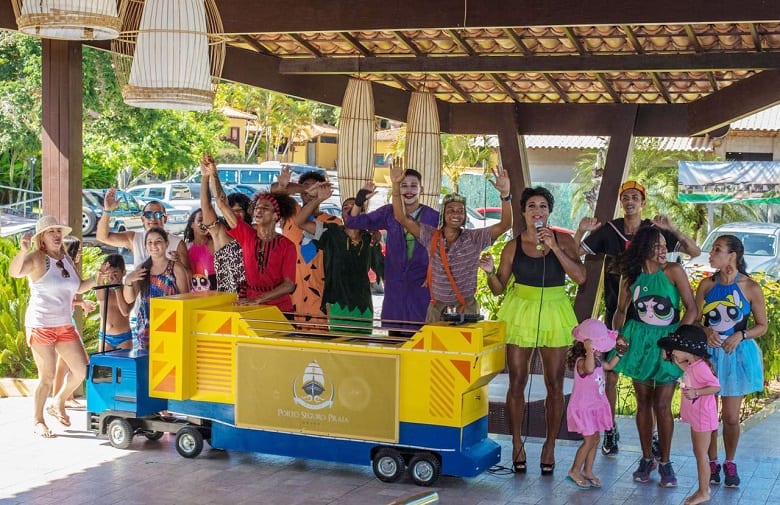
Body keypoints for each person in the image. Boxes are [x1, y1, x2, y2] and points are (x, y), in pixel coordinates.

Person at [575, 180, 701, 456]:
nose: (630, 201)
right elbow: (577, 253)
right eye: (625, 197)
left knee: (656, 387)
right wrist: (581, 231)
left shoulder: (654, 234)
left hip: (658, 324)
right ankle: (610, 429)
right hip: (622, 314)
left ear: (643, 202)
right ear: (622, 202)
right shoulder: (611, 231)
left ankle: (654, 438)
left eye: (635, 196)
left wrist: (671, 229)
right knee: (613, 377)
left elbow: (694, 252)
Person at [481, 186, 585, 475]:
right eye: (531, 207)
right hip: (520, 309)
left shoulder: (562, 240)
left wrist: (554, 248)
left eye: (542, 206)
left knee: (555, 383)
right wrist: (490, 272)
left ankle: (549, 445)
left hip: (554, 309)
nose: (537, 211)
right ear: (524, 212)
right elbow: (499, 287)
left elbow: (580, 277)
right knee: (517, 380)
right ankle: (516, 443)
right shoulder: (512, 246)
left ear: (549, 212)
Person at [613, 226, 698, 487]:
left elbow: (692, 308)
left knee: (662, 404)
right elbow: (620, 310)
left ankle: (666, 461)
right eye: (657, 246)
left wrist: (676, 343)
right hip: (639, 343)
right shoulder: (631, 276)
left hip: (667, 343)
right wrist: (619, 335)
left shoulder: (673, 271)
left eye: (665, 246)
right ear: (644, 249)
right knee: (643, 402)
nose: (663, 250)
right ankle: (646, 457)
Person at [9, 216, 97, 437]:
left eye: (58, 231)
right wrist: (22, 251)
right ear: (42, 238)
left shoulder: (66, 259)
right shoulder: (36, 258)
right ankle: (38, 420)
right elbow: (14, 272)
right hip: (41, 325)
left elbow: (79, 287)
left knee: (82, 370)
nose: (57, 235)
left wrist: (98, 277)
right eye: (51, 232)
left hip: (64, 324)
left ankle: (57, 402)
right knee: (46, 376)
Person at [392, 164, 511, 322]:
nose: (456, 214)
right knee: (434, 347)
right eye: (451, 210)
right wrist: (395, 185)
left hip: (466, 309)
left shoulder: (474, 238)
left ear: (465, 215)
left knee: (462, 348)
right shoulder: (430, 235)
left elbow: (505, 225)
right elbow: (401, 217)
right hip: (436, 310)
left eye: (460, 210)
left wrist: (505, 195)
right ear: (443, 215)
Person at [695, 234, 767, 488]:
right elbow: (694, 318)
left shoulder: (750, 287)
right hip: (710, 355)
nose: (711, 254)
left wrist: (740, 334)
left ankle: (730, 461)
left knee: (731, 417)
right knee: (707, 415)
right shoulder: (706, 285)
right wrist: (706, 332)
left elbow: (762, 326)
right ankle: (711, 462)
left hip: (735, 354)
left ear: (732, 256)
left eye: (717, 250)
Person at [345, 171, 439, 334]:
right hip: (396, 286)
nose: (409, 190)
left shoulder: (434, 217)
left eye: (413, 186)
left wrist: (433, 273)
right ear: (397, 188)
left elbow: (444, 249)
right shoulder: (388, 212)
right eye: (404, 186)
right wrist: (360, 200)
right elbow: (353, 222)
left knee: (420, 338)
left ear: (421, 189)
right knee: (394, 339)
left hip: (422, 286)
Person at [206, 159, 297, 311]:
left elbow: (289, 285)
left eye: (265, 208)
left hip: (279, 309)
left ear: (276, 216)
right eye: (257, 208)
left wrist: (258, 299)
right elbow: (222, 203)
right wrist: (214, 174)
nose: (259, 210)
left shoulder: (287, 245)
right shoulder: (247, 235)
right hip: (249, 304)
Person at [294, 182, 379, 333]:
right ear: (342, 215)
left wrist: (375, 233)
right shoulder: (330, 232)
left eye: (355, 206)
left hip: (363, 305)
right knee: (340, 350)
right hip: (337, 303)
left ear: (363, 212)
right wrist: (318, 200)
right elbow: (299, 222)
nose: (351, 210)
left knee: (363, 350)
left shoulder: (369, 237)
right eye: (346, 208)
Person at [658, 326, 720, 505]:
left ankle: (703, 491)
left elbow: (716, 387)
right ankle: (703, 489)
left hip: (703, 417)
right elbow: (678, 363)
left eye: (675, 348)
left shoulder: (700, 368)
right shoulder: (691, 364)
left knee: (701, 455)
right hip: (697, 416)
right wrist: (670, 355)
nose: (672, 352)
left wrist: (697, 393)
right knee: (698, 452)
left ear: (688, 350)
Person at [273, 168, 341, 326]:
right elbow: (274, 190)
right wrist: (305, 188)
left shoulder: (333, 221)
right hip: (290, 288)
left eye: (314, 187)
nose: (310, 190)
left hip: (320, 288)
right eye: (305, 186)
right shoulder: (291, 212)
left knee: (318, 341)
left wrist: (315, 197)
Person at [565, 319, 622, 489]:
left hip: (594, 407)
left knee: (595, 439)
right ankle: (574, 470)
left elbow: (610, 365)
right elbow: (589, 370)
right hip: (583, 409)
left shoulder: (596, 360)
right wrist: (589, 351)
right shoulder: (582, 362)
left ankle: (587, 470)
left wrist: (620, 354)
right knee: (589, 440)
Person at [122, 228, 190, 349]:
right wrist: (128, 280)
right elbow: (129, 299)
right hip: (146, 328)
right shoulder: (142, 269)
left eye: (158, 241)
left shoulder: (176, 268)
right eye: (149, 242)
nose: (153, 245)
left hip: (171, 326)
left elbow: (186, 299)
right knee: (149, 365)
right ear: (145, 246)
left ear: (166, 244)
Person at [97, 191, 190, 270]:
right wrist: (107, 211)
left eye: (158, 214)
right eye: (148, 215)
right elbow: (102, 237)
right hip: (141, 290)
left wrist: (178, 265)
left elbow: (187, 277)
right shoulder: (134, 238)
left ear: (165, 219)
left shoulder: (178, 243)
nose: (153, 218)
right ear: (142, 219)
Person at [199, 154, 246, 294]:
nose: (235, 214)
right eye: (232, 211)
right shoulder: (220, 232)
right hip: (227, 297)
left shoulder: (254, 232)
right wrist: (207, 176)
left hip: (254, 298)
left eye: (240, 211)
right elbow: (207, 206)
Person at [94, 254, 133, 351]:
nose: (111, 278)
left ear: (123, 272)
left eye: (115, 274)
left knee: (122, 365)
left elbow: (125, 311)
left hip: (123, 338)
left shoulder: (127, 291)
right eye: (108, 275)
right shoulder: (104, 289)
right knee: (104, 365)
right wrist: (100, 279)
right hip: (105, 337)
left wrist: (117, 288)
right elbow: (100, 298)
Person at [183, 208, 217, 291]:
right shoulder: (186, 248)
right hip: (195, 295)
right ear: (192, 224)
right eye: (200, 220)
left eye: (206, 220)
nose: (204, 223)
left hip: (215, 293)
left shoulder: (215, 244)